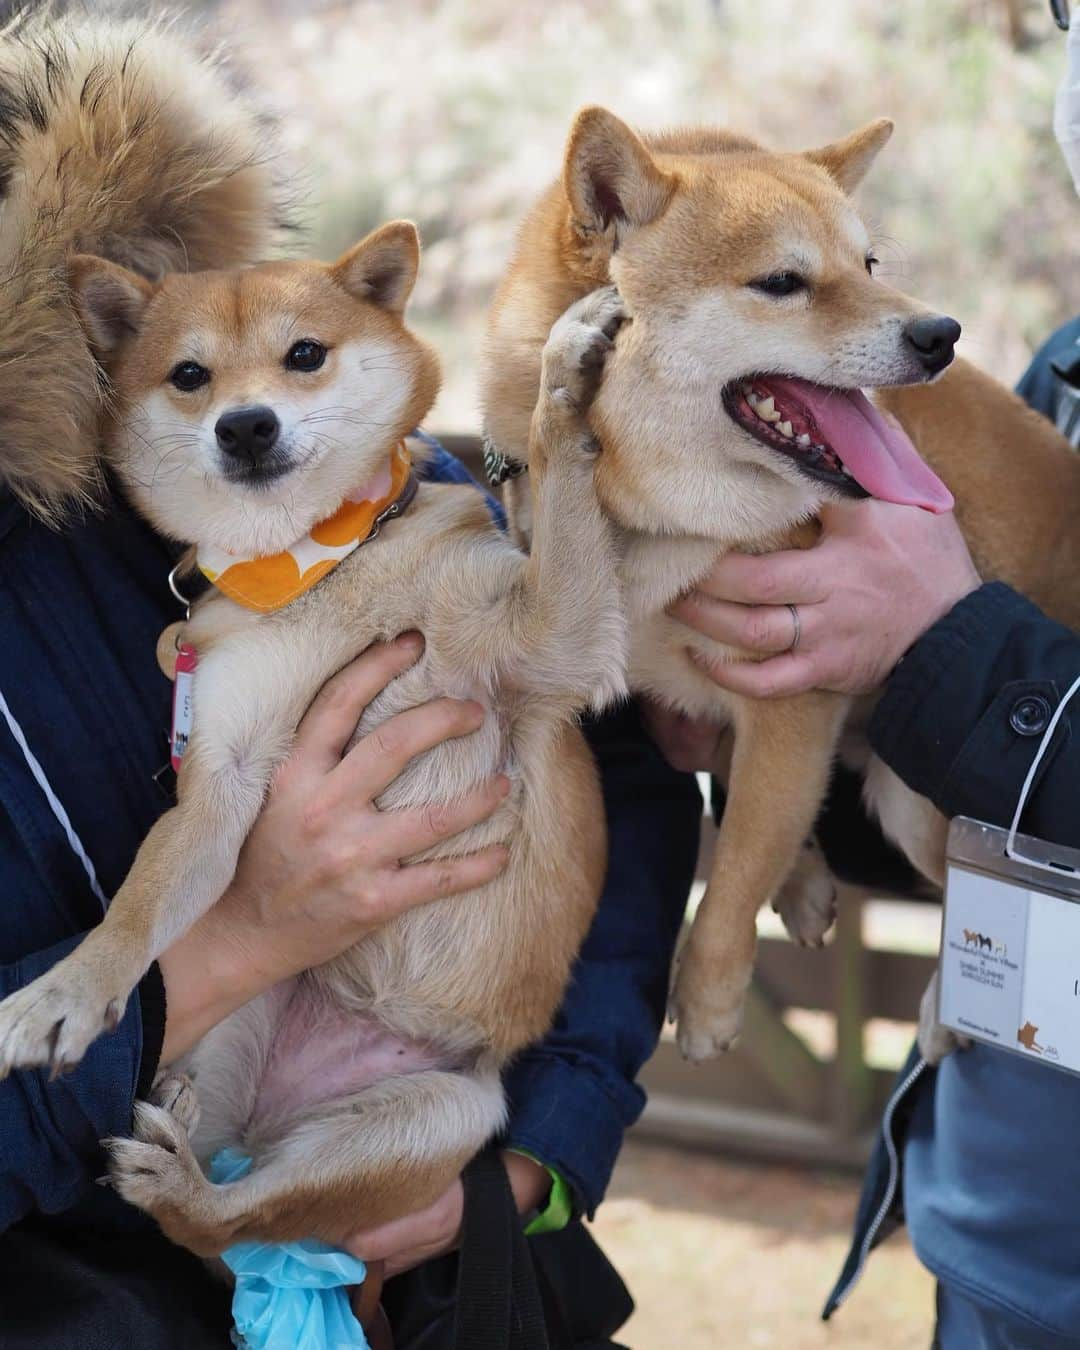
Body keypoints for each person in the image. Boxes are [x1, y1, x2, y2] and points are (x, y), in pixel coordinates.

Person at [0, 437, 701, 1348]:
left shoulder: (347, 445)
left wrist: (544, 1144)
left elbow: (611, 750)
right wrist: (240, 940)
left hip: (447, 1249)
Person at [648, 324, 1080, 1345]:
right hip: (991, 1224)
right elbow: (975, 800)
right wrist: (771, 746)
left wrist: (949, 635)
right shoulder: (1064, 367)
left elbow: (964, 655)